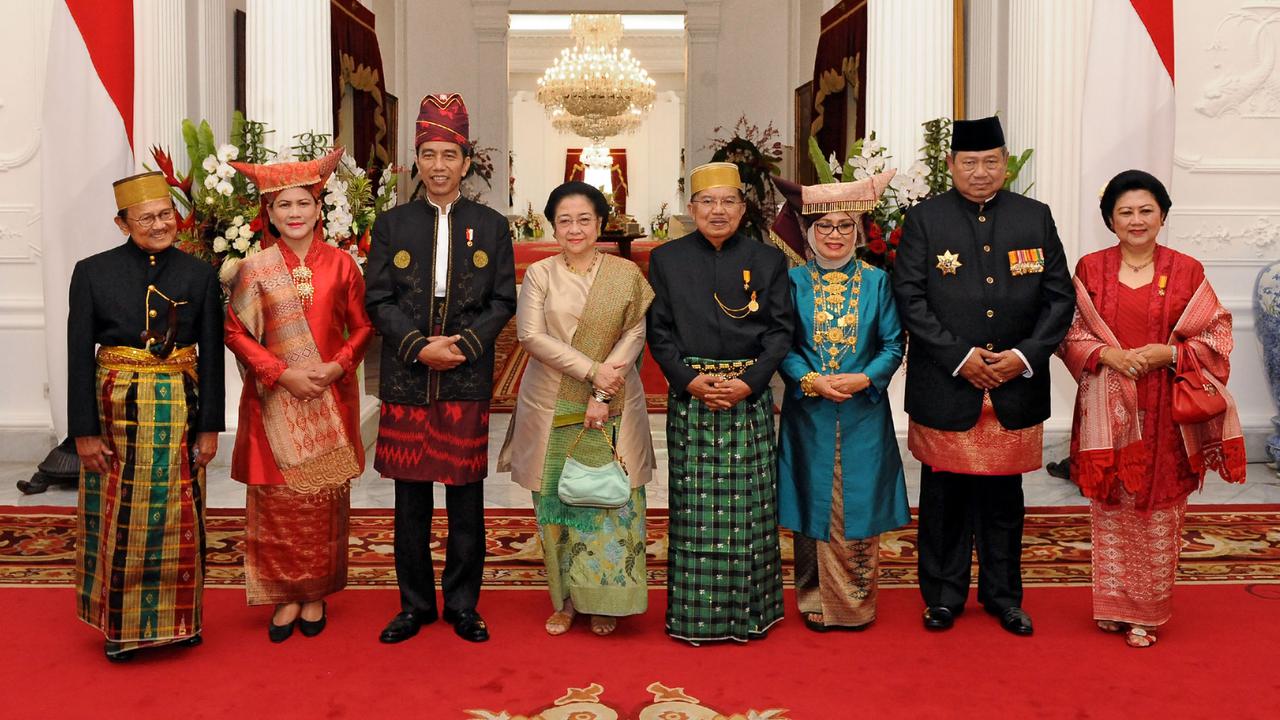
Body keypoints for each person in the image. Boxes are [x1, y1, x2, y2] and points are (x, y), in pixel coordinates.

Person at [892, 116, 1074, 636]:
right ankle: (943, 596)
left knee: (1003, 500)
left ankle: (1003, 597)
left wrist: (1022, 357)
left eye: (990, 162)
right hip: (948, 381)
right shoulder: (925, 220)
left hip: (1015, 384)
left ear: (1005, 163)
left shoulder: (1034, 217)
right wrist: (959, 356)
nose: (980, 172)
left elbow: (1059, 298)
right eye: (968, 163)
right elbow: (910, 297)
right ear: (951, 166)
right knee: (944, 499)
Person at [1059, 169, 1246, 648]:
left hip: (1167, 409)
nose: (1136, 220)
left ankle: (1147, 613)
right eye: (1125, 212)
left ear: (1162, 215)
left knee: (1158, 508)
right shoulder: (1090, 268)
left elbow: (1217, 333)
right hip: (1107, 407)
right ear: (1110, 219)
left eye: (1146, 210)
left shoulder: (1187, 270)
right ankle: (1112, 605)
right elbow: (1070, 332)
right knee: (1112, 506)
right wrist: (1109, 356)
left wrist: (1171, 354)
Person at [365, 93, 517, 644]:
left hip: (465, 377)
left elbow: (504, 300)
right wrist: (414, 345)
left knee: (465, 497)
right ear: (416, 158)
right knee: (409, 500)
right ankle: (413, 605)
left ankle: (462, 604)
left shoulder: (492, 225)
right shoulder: (392, 224)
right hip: (408, 379)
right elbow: (377, 298)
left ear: (466, 159)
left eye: (448, 155)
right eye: (428, 154)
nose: (438, 166)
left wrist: (466, 345)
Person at [68, 171, 225, 662]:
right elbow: (77, 355)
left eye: (166, 214)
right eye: (146, 218)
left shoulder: (198, 273)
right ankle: (121, 627)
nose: (159, 225)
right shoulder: (92, 272)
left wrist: (210, 427)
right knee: (118, 517)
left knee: (182, 514)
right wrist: (84, 432)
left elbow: (214, 356)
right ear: (122, 223)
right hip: (114, 409)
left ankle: (181, 622)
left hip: (181, 404)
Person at [224, 149, 373, 643]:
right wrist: (280, 373)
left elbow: (363, 327)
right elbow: (235, 332)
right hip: (274, 401)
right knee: (279, 500)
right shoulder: (254, 268)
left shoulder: (343, 266)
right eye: (283, 205)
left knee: (321, 502)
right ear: (268, 213)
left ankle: (315, 593)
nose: (293, 213)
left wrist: (337, 365)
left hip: (330, 398)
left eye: (302, 204)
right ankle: (284, 594)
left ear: (318, 208)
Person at [498, 181, 656, 637]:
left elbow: (634, 334)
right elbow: (530, 336)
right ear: (552, 225)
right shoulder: (541, 274)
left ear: (601, 224)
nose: (574, 228)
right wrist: (592, 371)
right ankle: (565, 599)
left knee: (611, 501)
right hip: (549, 404)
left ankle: (605, 596)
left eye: (584, 219)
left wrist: (603, 390)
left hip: (616, 400)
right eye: (564, 220)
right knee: (555, 504)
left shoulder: (625, 274)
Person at [646, 161, 794, 644]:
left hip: (746, 397)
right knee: (694, 510)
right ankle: (695, 617)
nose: (717, 210)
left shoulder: (768, 260)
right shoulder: (666, 260)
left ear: (743, 207)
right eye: (707, 201)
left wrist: (750, 382)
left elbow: (779, 331)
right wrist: (688, 380)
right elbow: (660, 332)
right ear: (691, 209)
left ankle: (752, 614)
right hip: (692, 397)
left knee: (751, 508)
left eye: (728, 201)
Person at [777, 171, 909, 632]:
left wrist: (863, 379)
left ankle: (854, 602)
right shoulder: (792, 282)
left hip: (863, 411)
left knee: (858, 500)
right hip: (808, 410)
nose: (835, 235)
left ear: (857, 232)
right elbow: (782, 344)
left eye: (844, 227)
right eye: (825, 227)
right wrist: (809, 380)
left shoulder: (877, 282)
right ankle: (813, 594)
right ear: (810, 233)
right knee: (809, 497)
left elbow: (894, 344)